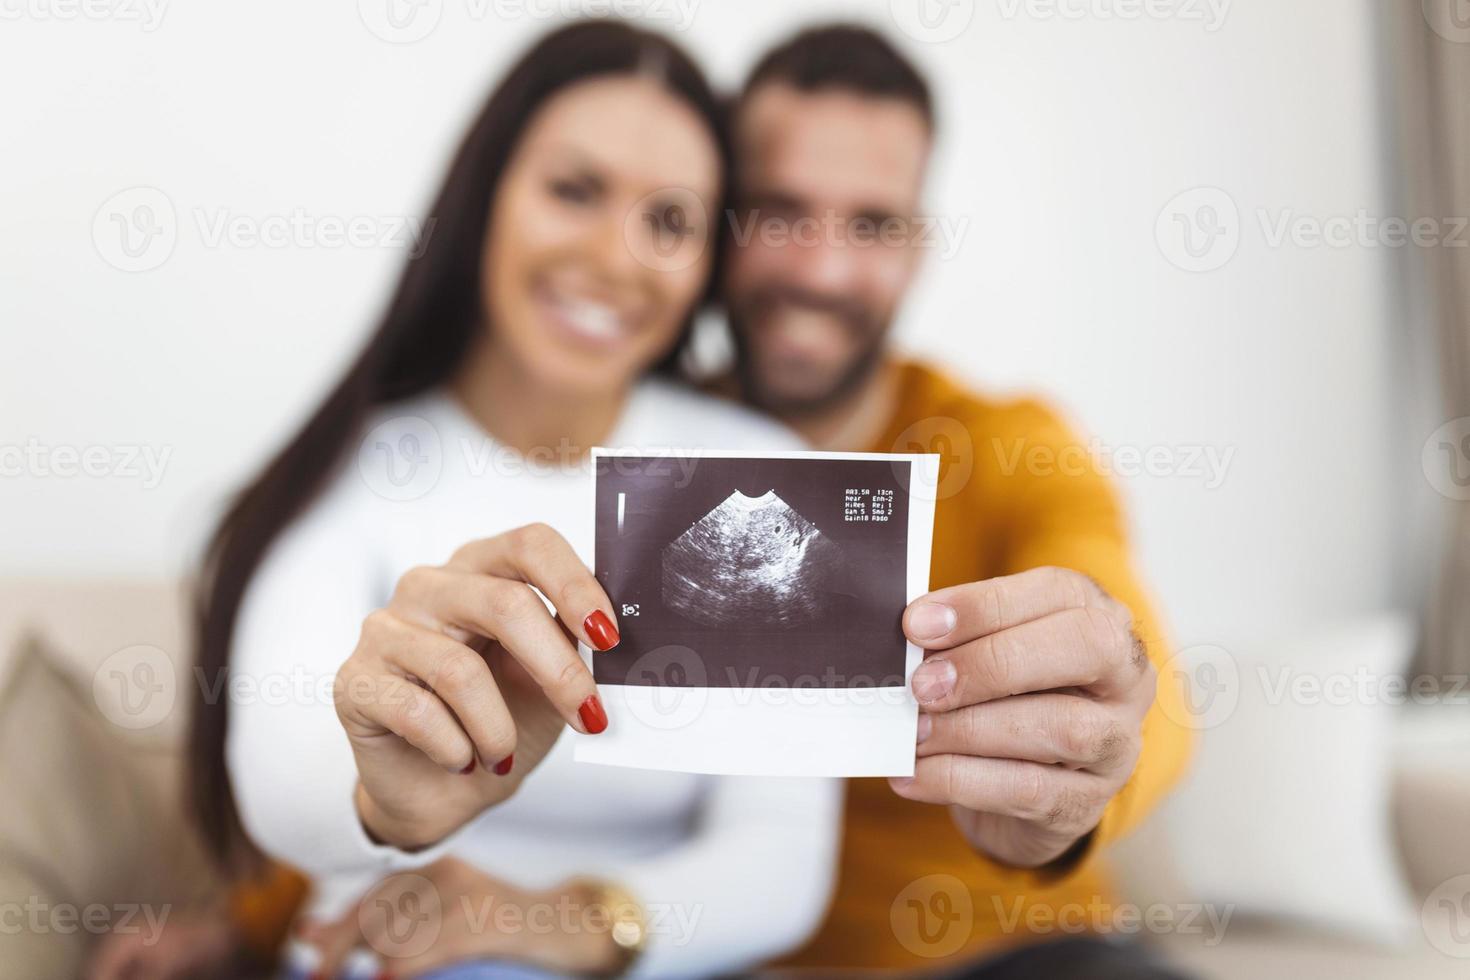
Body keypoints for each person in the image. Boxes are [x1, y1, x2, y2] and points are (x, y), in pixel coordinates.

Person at [182, 20, 839, 980]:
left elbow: (785, 861)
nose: (616, 259)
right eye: (573, 190)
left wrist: (549, 920)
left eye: (669, 221)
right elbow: (277, 781)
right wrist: (390, 802)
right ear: (485, 196)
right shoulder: (355, 469)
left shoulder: (762, 479)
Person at [720, 25, 1194, 976]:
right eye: (779, 212)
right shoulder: (638, 450)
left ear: (919, 244)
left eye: (871, 224)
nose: (821, 270)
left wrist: (1079, 777)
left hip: (1018, 952)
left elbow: (1144, 680)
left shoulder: (1008, 444)